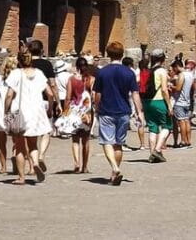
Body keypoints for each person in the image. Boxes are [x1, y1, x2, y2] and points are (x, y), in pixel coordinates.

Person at [93, 41, 144, 185]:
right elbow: (135, 94)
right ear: (122, 55)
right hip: (124, 111)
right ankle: (115, 174)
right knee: (118, 144)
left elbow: (97, 94)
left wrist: (96, 107)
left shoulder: (102, 72)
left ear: (108, 54)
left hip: (107, 110)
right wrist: (139, 112)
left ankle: (114, 168)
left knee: (106, 142)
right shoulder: (129, 72)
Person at [5, 50, 54, 184]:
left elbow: (9, 95)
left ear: (19, 61)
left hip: (21, 112)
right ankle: (36, 162)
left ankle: (21, 177)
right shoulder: (39, 73)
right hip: (37, 112)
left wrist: (6, 110)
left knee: (20, 146)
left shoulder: (16, 74)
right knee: (33, 144)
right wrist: (50, 108)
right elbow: (50, 93)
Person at [25, 40, 55, 172]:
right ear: (42, 50)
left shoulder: (25, 64)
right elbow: (52, 84)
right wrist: (55, 103)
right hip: (44, 100)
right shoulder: (47, 64)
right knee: (46, 130)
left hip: (28, 101)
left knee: (30, 134)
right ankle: (42, 155)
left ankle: (32, 165)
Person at [142, 49, 173, 163]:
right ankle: (157, 149)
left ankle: (152, 154)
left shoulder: (148, 71)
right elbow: (164, 90)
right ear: (163, 59)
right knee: (167, 126)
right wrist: (169, 105)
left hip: (146, 102)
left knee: (152, 127)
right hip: (159, 100)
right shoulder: (162, 71)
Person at [65, 57, 94, 173]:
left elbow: (68, 97)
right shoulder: (91, 79)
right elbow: (93, 96)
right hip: (86, 111)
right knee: (86, 140)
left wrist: (65, 111)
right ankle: (85, 166)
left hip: (74, 110)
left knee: (75, 139)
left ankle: (77, 163)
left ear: (76, 67)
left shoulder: (71, 79)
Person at [169, 58, 195, 148]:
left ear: (177, 67)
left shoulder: (182, 75)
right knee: (187, 121)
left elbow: (178, 88)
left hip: (180, 101)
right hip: (187, 101)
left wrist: (171, 86)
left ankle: (183, 140)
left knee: (181, 121)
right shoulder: (191, 74)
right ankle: (188, 140)